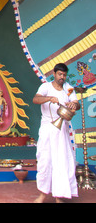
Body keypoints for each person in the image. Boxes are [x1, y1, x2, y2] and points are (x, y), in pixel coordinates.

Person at [33, 63, 80, 203]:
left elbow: (76, 103)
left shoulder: (68, 88)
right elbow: (36, 99)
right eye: (60, 74)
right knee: (44, 161)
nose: (62, 77)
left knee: (62, 161)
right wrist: (49, 98)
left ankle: (59, 196)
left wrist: (73, 105)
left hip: (61, 130)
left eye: (64, 75)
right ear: (54, 73)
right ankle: (42, 195)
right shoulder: (45, 87)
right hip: (47, 128)